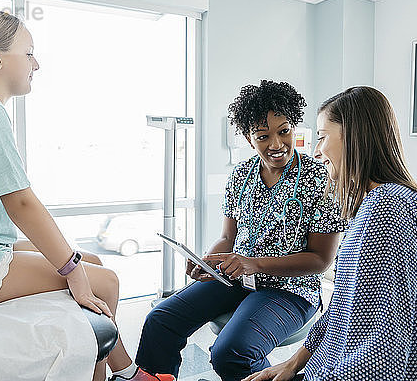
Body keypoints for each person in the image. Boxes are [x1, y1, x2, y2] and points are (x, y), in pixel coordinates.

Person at [0, 8, 173, 381]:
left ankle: (124, 375)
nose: (37, 63)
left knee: (91, 258)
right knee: (104, 280)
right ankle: (125, 375)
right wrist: (74, 274)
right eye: (29, 52)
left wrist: (76, 265)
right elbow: (20, 202)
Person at [135, 80, 346, 380]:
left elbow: (321, 260)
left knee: (230, 352)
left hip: (291, 290)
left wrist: (253, 263)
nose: (276, 144)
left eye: (283, 131)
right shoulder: (241, 175)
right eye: (263, 136)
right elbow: (227, 238)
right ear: (249, 139)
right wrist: (207, 262)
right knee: (160, 320)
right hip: (236, 279)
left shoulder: (320, 178)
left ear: (293, 127)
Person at [244, 86, 417, 381]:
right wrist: (292, 364)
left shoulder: (389, 210)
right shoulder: (375, 205)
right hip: (328, 365)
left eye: (323, 136)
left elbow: (381, 356)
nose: (316, 150)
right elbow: (342, 309)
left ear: (353, 136)